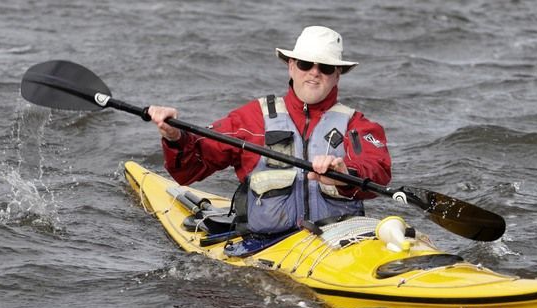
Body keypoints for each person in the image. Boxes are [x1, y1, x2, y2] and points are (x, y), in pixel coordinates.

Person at [148, 26, 391, 235]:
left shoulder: (358, 125)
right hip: (266, 244)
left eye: (326, 68)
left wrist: (345, 173)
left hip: (339, 243)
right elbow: (189, 170)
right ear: (291, 67)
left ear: (337, 75)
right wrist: (175, 137)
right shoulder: (251, 118)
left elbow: (377, 170)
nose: (314, 73)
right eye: (306, 64)